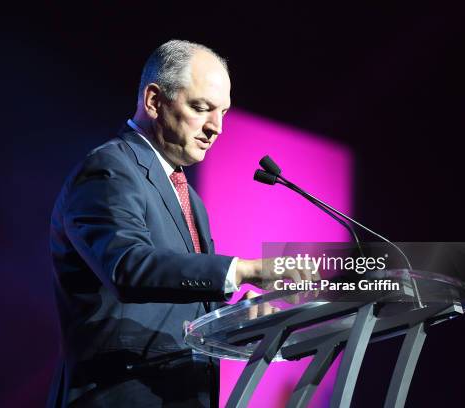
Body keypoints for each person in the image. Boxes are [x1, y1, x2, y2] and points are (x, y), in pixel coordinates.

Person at [47, 40, 313, 408]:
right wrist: (245, 269)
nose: (216, 127)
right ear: (154, 101)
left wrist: (239, 319)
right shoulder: (109, 169)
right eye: (201, 108)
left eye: (223, 112)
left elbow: (181, 315)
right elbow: (127, 266)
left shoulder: (191, 200)